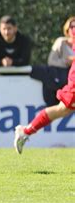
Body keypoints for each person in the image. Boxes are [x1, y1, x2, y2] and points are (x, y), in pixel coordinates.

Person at [14, 18, 75, 154]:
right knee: (62, 109)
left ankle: (25, 131)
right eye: (71, 27)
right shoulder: (63, 41)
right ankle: (25, 131)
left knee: (63, 110)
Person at [30, 16, 75, 105]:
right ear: (67, 29)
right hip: (63, 77)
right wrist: (66, 62)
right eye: (72, 27)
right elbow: (51, 61)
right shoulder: (61, 42)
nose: (74, 30)